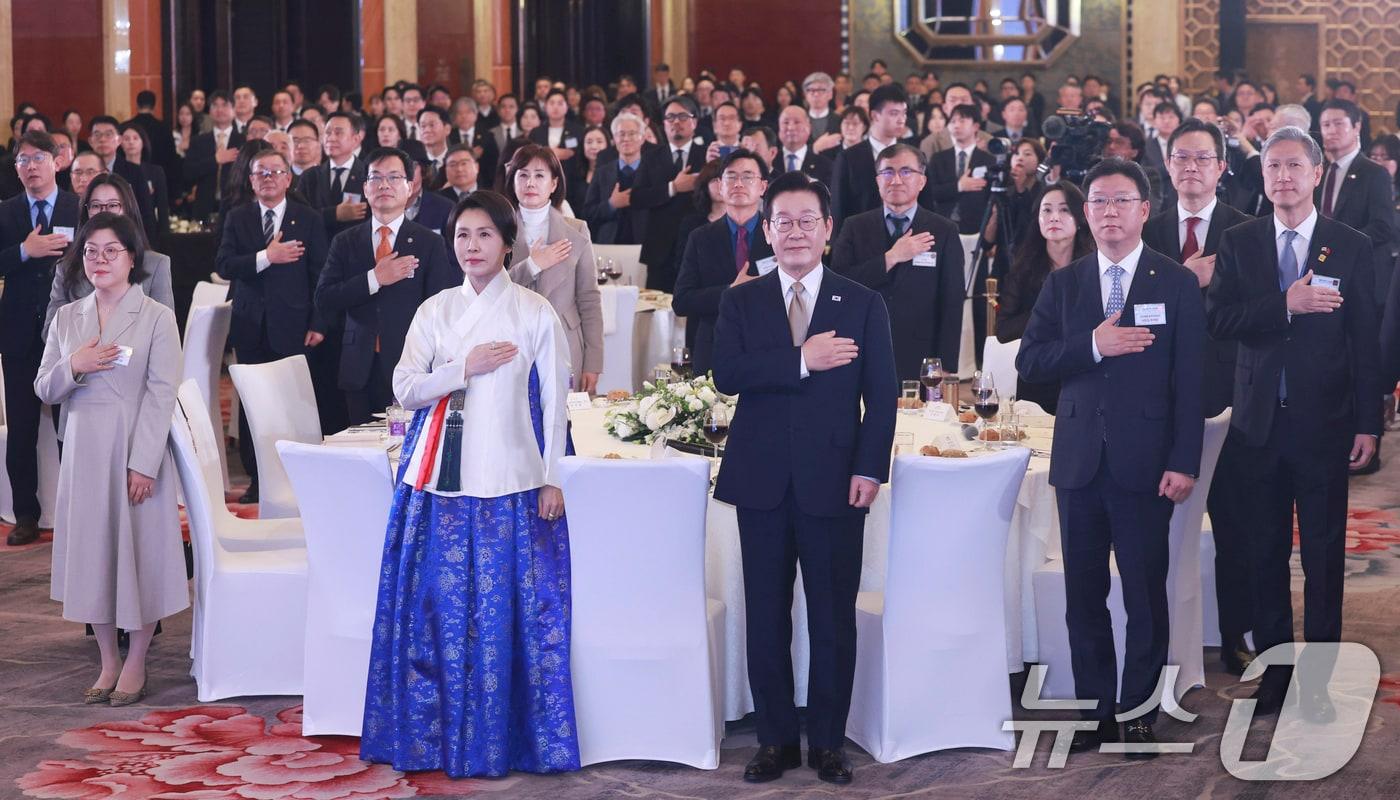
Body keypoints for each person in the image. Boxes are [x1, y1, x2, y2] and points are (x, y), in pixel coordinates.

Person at [361, 190, 577, 777]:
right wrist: (463, 369)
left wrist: (552, 478)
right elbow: (405, 387)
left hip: (510, 481)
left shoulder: (534, 311)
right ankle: (432, 736)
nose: (472, 247)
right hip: (436, 483)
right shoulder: (435, 310)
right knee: (434, 612)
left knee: (504, 615)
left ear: (508, 244)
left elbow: (557, 403)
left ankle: (502, 741)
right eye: (461, 235)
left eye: (484, 235)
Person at [712, 172, 896, 786]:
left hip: (836, 481)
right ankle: (774, 741)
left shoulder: (862, 302)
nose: (794, 232)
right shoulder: (743, 298)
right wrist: (800, 360)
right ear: (767, 230)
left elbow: (883, 399)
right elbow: (728, 374)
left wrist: (871, 468)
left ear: (827, 230)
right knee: (766, 616)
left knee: (831, 618)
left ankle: (827, 743)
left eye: (806, 220)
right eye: (782, 221)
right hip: (761, 481)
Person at [1017, 157, 1205, 756]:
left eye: (1121, 201)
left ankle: (1139, 712)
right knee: (1083, 595)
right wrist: (1092, 346)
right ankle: (1098, 711)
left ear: (1145, 210)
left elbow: (1191, 380)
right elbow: (1031, 363)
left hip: (1147, 464)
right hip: (1077, 464)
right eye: (1097, 202)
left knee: (1145, 593)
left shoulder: (1172, 281)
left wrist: (1184, 460)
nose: (1108, 213)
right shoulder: (1064, 284)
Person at [1207, 126, 1381, 720]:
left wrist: (1368, 423)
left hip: (1325, 424)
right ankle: (1276, 677)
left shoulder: (1349, 245)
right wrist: (1286, 304)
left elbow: (1365, 341)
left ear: (1314, 176)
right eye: (1273, 168)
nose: (1283, 177)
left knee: (1326, 554)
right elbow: (1220, 319)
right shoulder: (1239, 242)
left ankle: (1319, 683)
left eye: (1293, 168)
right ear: (1263, 179)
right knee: (1265, 552)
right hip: (1256, 425)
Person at [34, 212, 186, 705]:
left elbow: (163, 395)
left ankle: (137, 659)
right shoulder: (67, 317)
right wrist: (72, 365)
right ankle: (107, 660)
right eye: (91, 251)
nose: (100, 259)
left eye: (111, 250)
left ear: (131, 257)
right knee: (92, 558)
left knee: (137, 555)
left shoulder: (157, 316)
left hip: (133, 449)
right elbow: (44, 388)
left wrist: (143, 462)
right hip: (83, 451)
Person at [1140, 119, 1256, 673]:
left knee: (1235, 522)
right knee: (1154, 527)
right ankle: (1156, 636)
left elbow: (1254, 312)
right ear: (1167, 166)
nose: (1192, 167)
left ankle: (1233, 631)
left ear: (1221, 167)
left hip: (1227, 395)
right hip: (1157, 400)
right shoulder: (1148, 228)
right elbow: (1133, 310)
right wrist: (1186, 279)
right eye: (1182, 157)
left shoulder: (1246, 230)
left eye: (1203, 158)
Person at [215, 149, 330, 501]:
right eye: (260, 172)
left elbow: (321, 275)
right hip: (250, 325)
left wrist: (319, 322)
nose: (267, 178)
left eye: (275, 171)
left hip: (295, 327)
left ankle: (298, 474)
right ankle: (257, 477)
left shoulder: (307, 218)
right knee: (252, 405)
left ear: (288, 178)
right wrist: (268, 257)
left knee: (292, 404)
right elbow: (224, 265)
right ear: (250, 180)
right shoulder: (238, 217)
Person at [314, 147, 457, 424]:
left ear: (410, 186)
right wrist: (374, 279)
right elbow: (324, 298)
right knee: (360, 451)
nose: (384, 185)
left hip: (411, 366)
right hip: (358, 366)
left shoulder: (429, 242)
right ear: (365, 188)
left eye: (393, 177)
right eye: (376, 178)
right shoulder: (345, 241)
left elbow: (441, 308)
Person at [1, 133, 78, 546]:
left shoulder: (76, 207)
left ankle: (75, 509)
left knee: (72, 426)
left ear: (57, 161)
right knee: (23, 428)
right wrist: (23, 251)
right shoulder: (7, 212)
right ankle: (25, 514)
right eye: (23, 160)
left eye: (38, 158)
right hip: (18, 334)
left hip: (67, 333)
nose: (30, 166)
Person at [831, 143, 964, 381]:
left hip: (921, 355)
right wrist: (890, 258)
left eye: (905, 172)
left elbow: (952, 301)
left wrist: (945, 363)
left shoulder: (944, 231)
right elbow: (838, 285)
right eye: (888, 172)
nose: (896, 180)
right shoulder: (854, 226)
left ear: (921, 181)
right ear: (877, 180)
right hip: (861, 348)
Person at [504, 145, 603, 394]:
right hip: (511, 342)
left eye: (539, 175)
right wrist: (532, 265)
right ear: (513, 180)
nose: (530, 183)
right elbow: (488, 289)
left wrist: (594, 363)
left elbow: (589, 298)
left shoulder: (577, 229)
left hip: (565, 341)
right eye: (523, 175)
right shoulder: (497, 228)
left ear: (554, 183)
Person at [673, 149, 774, 376]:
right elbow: (681, 301)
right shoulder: (700, 237)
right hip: (713, 349)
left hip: (769, 346)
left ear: (763, 187)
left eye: (748, 177)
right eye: (731, 177)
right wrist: (730, 291)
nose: (739, 183)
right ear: (720, 186)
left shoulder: (778, 235)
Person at [995, 180, 1094, 412]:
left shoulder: (1093, 268)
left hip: (1080, 374)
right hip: (1037, 374)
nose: (1054, 217)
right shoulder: (1023, 268)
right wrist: (1046, 313)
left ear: (1081, 218)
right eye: (1046, 210)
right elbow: (1003, 331)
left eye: (1064, 209)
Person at [45, 172, 174, 338]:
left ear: (128, 209)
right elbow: (50, 331)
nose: (103, 213)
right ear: (86, 212)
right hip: (80, 359)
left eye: (113, 205)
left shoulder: (156, 265)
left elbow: (166, 332)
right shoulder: (66, 267)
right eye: (96, 206)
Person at [631, 96, 708, 292]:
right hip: (660, 248)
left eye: (683, 116)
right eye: (670, 117)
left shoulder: (707, 155)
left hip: (698, 243)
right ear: (663, 124)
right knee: (658, 312)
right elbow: (637, 198)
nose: (676, 122)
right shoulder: (650, 156)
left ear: (694, 122)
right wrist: (673, 187)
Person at [830, 84, 908, 231]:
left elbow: (926, 207)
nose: (901, 119)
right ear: (874, 115)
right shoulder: (848, 158)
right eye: (893, 113)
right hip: (861, 240)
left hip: (907, 240)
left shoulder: (914, 155)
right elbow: (838, 209)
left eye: (904, 113)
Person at [582, 112, 646, 244]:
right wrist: (611, 205)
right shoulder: (602, 173)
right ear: (614, 139)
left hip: (646, 245)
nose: (626, 138)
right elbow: (588, 213)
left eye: (632, 133)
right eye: (621, 134)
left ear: (642, 138)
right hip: (609, 244)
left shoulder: (653, 171)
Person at [300, 112, 369, 237]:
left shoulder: (368, 175)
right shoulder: (310, 177)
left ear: (355, 139)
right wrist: (334, 214)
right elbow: (300, 217)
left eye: (338, 133)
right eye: (327, 132)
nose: (331, 138)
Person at [87, 116, 157, 239]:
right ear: (90, 141)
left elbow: (146, 213)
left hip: (127, 238)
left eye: (108, 134)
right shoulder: (83, 171)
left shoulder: (134, 171)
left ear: (119, 140)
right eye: (97, 135)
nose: (102, 139)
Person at [184, 92, 245, 222]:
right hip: (204, 206)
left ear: (234, 110)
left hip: (236, 205)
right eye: (215, 106)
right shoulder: (198, 141)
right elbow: (187, 173)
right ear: (210, 112)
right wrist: (215, 160)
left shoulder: (243, 141)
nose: (220, 109)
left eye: (224, 105)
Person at [118, 123, 170, 231]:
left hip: (149, 227)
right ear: (120, 143)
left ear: (143, 143)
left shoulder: (156, 171)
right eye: (126, 139)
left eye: (135, 138)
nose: (131, 142)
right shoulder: (117, 172)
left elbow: (162, 207)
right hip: (124, 227)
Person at [773, 106, 833, 186]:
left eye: (797, 122)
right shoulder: (769, 161)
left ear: (808, 128)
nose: (791, 127)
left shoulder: (825, 165)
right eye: (786, 122)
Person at [447, 97, 500, 182]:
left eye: (468, 112)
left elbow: (494, 163)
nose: (464, 116)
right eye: (460, 113)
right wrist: (472, 155)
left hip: (483, 183)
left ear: (476, 114)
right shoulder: (448, 136)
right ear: (455, 116)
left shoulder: (487, 135)